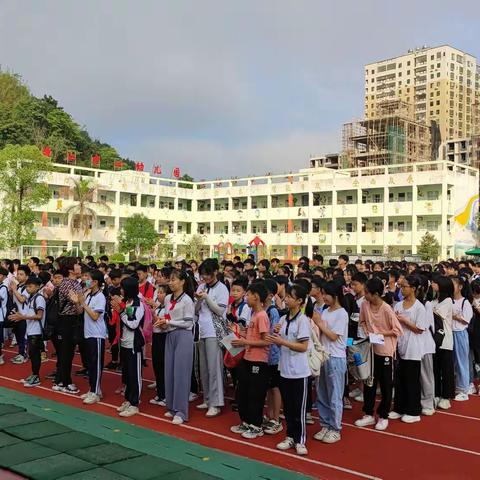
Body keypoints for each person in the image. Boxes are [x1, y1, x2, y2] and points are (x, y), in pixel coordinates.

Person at [266, 283, 311, 456]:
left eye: (291, 297)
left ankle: (300, 440)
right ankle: (290, 435)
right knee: (289, 407)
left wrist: (282, 341)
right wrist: (277, 334)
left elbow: (303, 346)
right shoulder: (284, 319)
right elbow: (280, 339)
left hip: (299, 372)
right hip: (284, 370)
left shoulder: (303, 320)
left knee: (298, 408)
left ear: (300, 301)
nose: (287, 299)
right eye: (288, 296)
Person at [355, 277, 403, 431]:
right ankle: (368, 413)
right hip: (370, 349)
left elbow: (397, 330)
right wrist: (368, 331)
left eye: (367, 293)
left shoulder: (387, 308)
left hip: (386, 350)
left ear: (375, 294)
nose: (365, 296)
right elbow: (362, 321)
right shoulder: (364, 304)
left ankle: (383, 415)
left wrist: (380, 333)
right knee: (369, 382)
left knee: (386, 384)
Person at [230, 282, 270, 439]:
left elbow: (266, 341)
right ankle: (246, 421)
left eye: (248, 294)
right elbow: (253, 336)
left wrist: (245, 342)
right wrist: (242, 334)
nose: (246, 297)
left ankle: (256, 425)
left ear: (256, 297)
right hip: (247, 358)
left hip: (258, 361)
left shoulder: (261, 316)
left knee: (255, 394)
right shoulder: (253, 314)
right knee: (243, 392)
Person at [158, 270, 195, 425]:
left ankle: (181, 411)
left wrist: (168, 323)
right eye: (170, 280)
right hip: (170, 335)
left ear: (182, 282)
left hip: (183, 336)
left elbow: (188, 323)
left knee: (181, 373)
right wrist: (162, 322)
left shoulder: (187, 300)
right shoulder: (167, 298)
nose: (171, 283)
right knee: (170, 371)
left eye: (174, 280)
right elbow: (168, 317)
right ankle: (172, 406)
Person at [390, 275, 428, 424]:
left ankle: (413, 410)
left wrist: (405, 321)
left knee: (412, 380)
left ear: (413, 289)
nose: (402, 289)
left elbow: (420, 328)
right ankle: (399, 407)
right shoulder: (398, 305)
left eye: (405, 286)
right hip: (400, 344)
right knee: (399, 379)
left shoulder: (419, 307)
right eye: (401, 286)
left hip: (413, 347)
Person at [314, 281, 348, 444]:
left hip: (335, 357)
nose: (324, 297)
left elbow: (334, 336)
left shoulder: (341, 313)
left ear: (335, 295)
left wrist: (319, 323)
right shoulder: (325, 311)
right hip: (323, 356)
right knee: (322, 393)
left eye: (326, 294)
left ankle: (335, 428)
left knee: (334, 394)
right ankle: (325, 424)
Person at [195, 259, 228, 418]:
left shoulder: (222, 289)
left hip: (215, 331)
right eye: (203, 274)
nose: (205, 277)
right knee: (204, 368)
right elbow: (195, 310)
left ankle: (216, 402)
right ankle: (207, 398)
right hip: (202, 330)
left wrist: (206, 298)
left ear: (215, 272)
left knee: (214, 368)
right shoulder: (201, 286)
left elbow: (220, 311)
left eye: (208, 274)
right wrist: (199, 299)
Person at [71, 270, 107, 405]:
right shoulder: (89, 295)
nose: (85, 280)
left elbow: (95, 316)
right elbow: (80, 311)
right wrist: (77, 302)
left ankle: (96, 391)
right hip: (88, 333)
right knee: (91, 365)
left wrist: (83, 303)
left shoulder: (100, 297)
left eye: (88, 278)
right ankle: (93, 389)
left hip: (97, 335)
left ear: (96, 282)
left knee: (96, 364)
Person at [112, 276, 145, 417]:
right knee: (126, 374)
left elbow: (133, 324)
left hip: (133, 344)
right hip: (124, 342)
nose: (121, 290)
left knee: (134, 374)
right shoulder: (127, 302)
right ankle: (128, 399)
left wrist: (121, 311)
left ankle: (134, 403)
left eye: (123, 288)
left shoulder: (138, 304)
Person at [8, 276, 46, 387]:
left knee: (35, 355)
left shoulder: (39, 298)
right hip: (31, 331)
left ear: (38, 287)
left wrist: (23, 317)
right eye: (27, 286)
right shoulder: (32, 298)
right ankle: (34, 374)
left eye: (30, 286)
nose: (28, 288)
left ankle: (36, 376)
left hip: (36, 331)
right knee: (32, 354)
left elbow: (39, 316)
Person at [53, 257, 83, 394]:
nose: (79, 266)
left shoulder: (74, 282)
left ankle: (60, 380)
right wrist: (79, 302)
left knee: (67, 352)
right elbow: (78, 307)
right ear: (71, 269)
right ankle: (65, 382)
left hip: (71, 320)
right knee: (66, 353)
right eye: (77, 264)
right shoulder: (67, 284)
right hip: (66, 320)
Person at [431, 276, 455, 410]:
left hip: (445, 340)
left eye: (435, 283)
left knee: (446, 369)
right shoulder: (434, 300)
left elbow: (437, 315)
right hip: (434, 339)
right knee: (435, 368)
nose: (432, 284)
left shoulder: (447, 301)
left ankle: (446, 396)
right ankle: (436, 393)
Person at [451, 276, 473, 401]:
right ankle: (456, 386)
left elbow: (466, 320)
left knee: (461, 361)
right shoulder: (449, 300)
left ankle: (463, 389)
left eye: (453, 284)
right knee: (452, 362)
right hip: (450, 333)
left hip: (460, 333)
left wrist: (454, 316)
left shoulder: (465, 302)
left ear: (460, 287)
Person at [150, 284, 170, 407]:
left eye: (162, 292)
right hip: (156, 337)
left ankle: (166, 395)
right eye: (159, 292)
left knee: (164, 366)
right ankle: (160, 392)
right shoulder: (158, 308)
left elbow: (164, 326)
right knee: (157, 365)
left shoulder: (168, 309)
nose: (159, 295)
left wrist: (154, 316)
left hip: (164, 337)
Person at [10, 265, 31, 364]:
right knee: (18, 336)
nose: (18, 276)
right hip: (17, 315)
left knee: (24, 337)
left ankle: (24, 355)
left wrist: (14, 290)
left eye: (21, 274)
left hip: (24, 316)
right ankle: (20, 353)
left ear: (27, 277)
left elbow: (22, 299)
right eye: (18, 274)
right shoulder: (18, 286)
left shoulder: (28, 288)